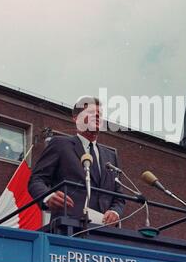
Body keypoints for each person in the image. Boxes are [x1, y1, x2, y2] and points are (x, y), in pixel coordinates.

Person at [28, 96, 125, 225]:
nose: (97, 115)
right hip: (68, 227)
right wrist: (48, 197)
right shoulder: (60, 144)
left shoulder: (111, 156)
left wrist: (115, 212)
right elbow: (37, 180)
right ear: (76, 118)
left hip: (103, 233)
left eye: (100, 114)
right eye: (90, 112)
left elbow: (118, 196)